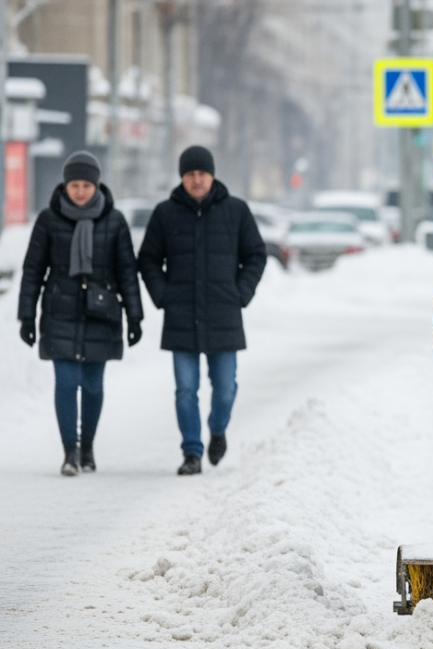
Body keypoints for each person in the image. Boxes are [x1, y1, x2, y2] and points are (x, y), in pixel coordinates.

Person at [137, 145, 267, 476]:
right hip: (181, 315)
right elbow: (148, 259)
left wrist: (241, 292)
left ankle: (218, 428)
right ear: (182, 177)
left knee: (225, 388)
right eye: (190, 174)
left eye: (202, 174)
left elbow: (255, 255)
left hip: (224, 314)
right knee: (185, 390)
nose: (197, 180)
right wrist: (163, 295)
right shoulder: (165, 213)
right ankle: (192, 452)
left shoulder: (236, 211)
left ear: (212, 175)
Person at [17, 152, 145, 476]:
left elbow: (127, 271)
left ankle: (87, 446)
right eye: (74, 184)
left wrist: (135, 316)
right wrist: (26, 316)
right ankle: (69, 452)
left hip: (101, 314)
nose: (80, 191)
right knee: (66, 381)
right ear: (65, 185)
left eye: (86, 184)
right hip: (60, 311)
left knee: (92, 385)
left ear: (96, 185)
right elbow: (33, 269)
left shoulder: (114, 221)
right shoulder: (48, 219)